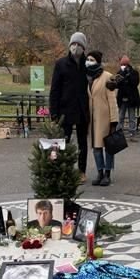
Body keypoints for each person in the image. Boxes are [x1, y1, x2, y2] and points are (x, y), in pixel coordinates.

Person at [50, 32, 91, 184]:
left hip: (82, 109)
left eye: (79, 45)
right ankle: (64, 170)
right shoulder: (61, 64)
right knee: (63, 141)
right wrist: (53, 112)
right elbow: (55, 89)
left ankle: (81, 171)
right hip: (64, 109)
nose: (76, 47)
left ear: (83, 47)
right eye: (73, 44)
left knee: (82, 143)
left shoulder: (88, 65)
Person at [86, 50, 120, 186]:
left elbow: (112, 100)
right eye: (87, 59)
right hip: (92, 118)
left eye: (91, 59)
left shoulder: (107, 77)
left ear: (98, 61)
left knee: (108, 146)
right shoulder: (87, 77)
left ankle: (107, 173)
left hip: (104, 117)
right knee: (96, 147)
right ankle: (99, 172)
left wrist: (114, 120)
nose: (88, 61)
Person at [114, 56, 140, 140]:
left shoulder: (134, 72)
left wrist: (128, 76)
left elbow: (135, 83)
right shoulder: (119, 72)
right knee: (120, 117)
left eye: (124, 65)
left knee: (132, 117)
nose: (123, 66)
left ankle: (132, 134)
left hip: (131, 99)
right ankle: (118, 133)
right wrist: (120, 78)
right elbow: (117, 85)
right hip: (122, 98)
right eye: (122, 64)